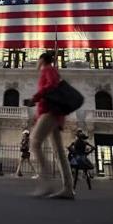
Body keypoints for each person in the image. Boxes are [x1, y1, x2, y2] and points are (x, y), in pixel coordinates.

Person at [26, 51, 75, 199]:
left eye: (37, 60)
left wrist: (35, 97)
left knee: (34, 142)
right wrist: (37, 115)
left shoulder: (48, 70)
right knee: (59, 152)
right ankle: (68, 188)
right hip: (52, 114)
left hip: (51, 114)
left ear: (42, 60)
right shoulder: (51, 71)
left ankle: (46, 182)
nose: (36, 63)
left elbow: (52, 86)